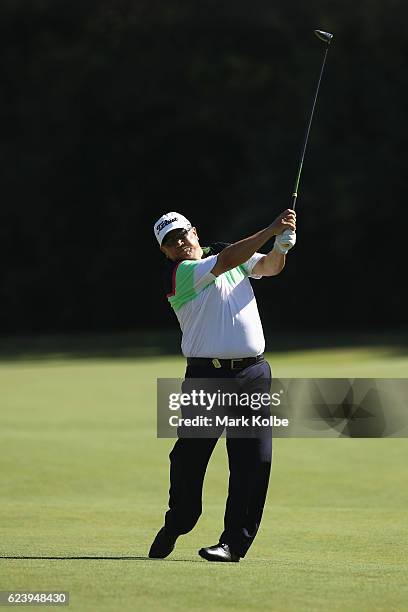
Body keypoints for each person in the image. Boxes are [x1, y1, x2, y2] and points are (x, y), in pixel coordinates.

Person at [149, 209, 296, 562]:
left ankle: (233, 544)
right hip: (206, 377)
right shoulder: (181, 274)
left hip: (254, 375)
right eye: (170, 242)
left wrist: (282, 248)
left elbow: (269, 268)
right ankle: (178, 522)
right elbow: (230, 259)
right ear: (166, 253)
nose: (179, 243)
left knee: (253, 461)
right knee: (190, 459)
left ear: (194, 232)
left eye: (182, 234)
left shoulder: (231, 253)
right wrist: (272, 228)